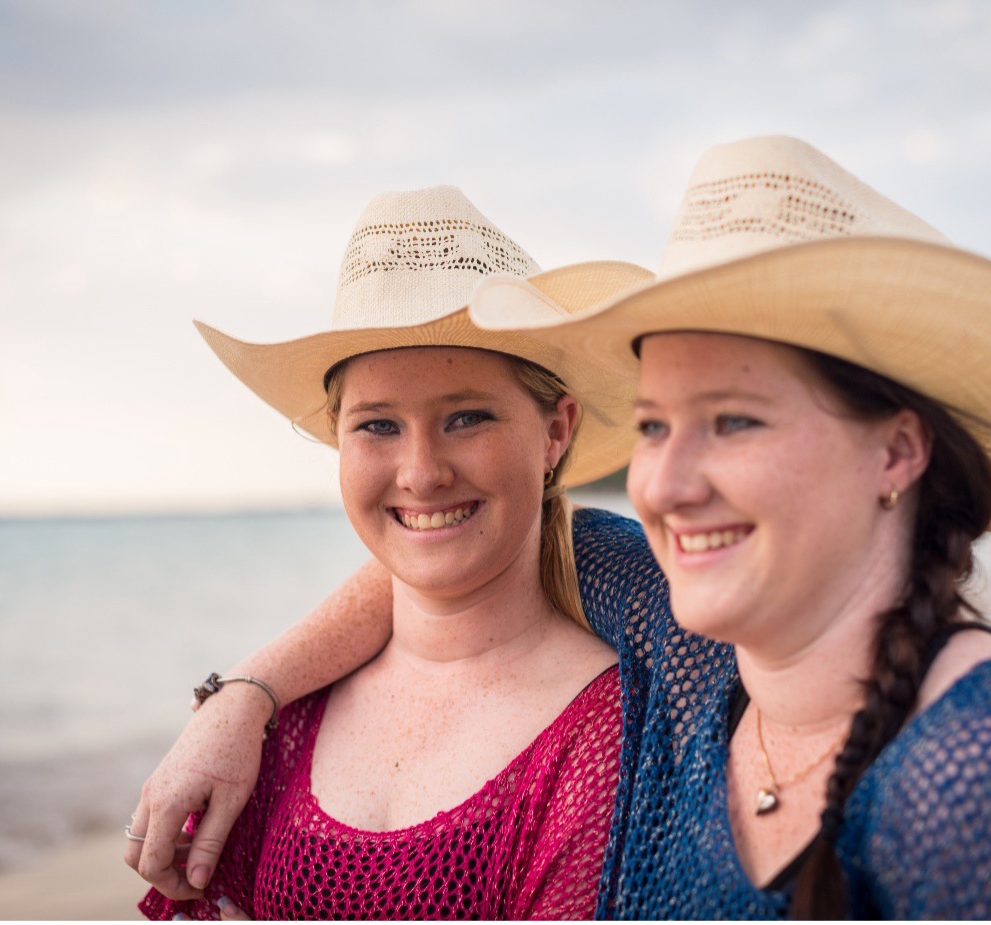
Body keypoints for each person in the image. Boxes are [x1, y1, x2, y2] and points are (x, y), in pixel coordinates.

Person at [130, 139, 991, 919]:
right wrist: (244, 699)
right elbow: (432, 571)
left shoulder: (985, 767)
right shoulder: (673, 628)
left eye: (732, 420)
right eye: (651, 426)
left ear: (895, 450)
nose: (664, 484)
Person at [132, 185, 652, 919]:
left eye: (467, 416)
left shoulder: (607, 735)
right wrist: (242, 697)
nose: (420, 472)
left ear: (557, 431)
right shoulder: (280, 722)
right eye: (377, 425)